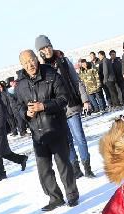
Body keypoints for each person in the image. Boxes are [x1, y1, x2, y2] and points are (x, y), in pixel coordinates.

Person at [14, 50, 80, 211]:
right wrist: (26, 113)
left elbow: (64, 99)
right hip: (38, 133)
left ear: (37, 59)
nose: (30, 64)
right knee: (43, 169)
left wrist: (44, 106)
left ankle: (72, 195)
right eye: (26, 62)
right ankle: (55, 198)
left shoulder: (52, 75)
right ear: (22, 65)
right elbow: (17, 106)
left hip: (56, 127)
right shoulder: (21, 85)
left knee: (63, 165)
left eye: (32, 60)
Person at [36, 35, 96, 178]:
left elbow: (77, 81)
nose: (47, 49)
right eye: (43, 48)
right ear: (40, 51)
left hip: (72, 105)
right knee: (66, 141)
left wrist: (85, 100)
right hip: (57, 110)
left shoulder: (63, 60)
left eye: (48, 46)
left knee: (79, 137)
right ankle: (75, 168)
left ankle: (87, 166)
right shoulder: (41, 69)